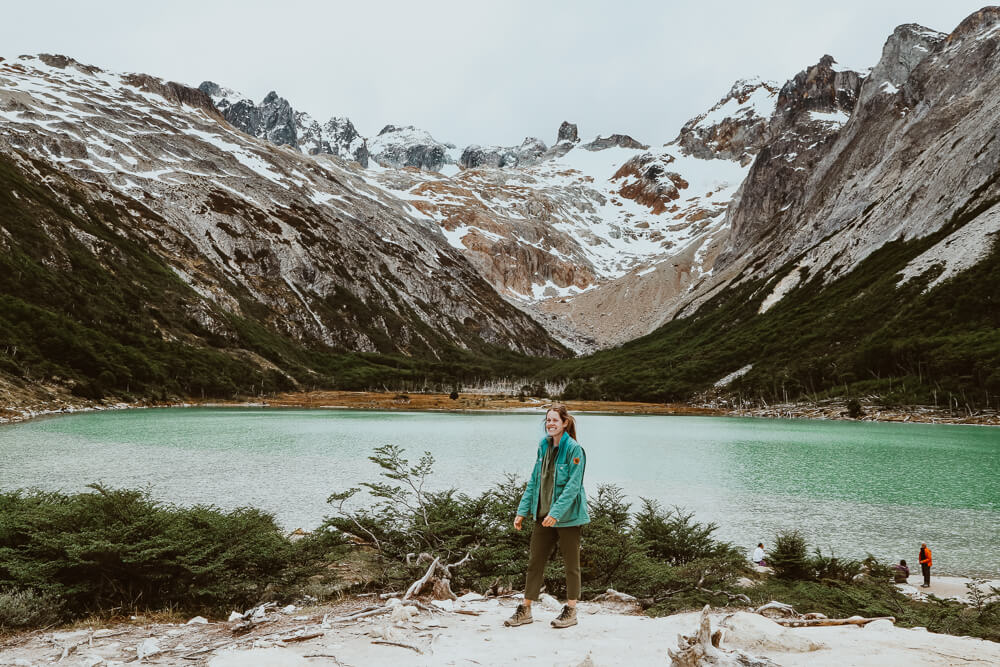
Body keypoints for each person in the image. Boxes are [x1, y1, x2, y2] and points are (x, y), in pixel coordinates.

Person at [505, 404, 589, 629]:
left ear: (565, 423)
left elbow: (573, 486)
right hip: (542, 515)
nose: (550, 424)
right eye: (548, 420)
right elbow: (534, 480)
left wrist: (556, 513)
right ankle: (526, 609)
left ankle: (571, 610)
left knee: (571, 564)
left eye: (555, 420)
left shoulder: (574, 450)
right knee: (535, 562)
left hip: (568, 517)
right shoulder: (543, 446)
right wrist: (522, 511)